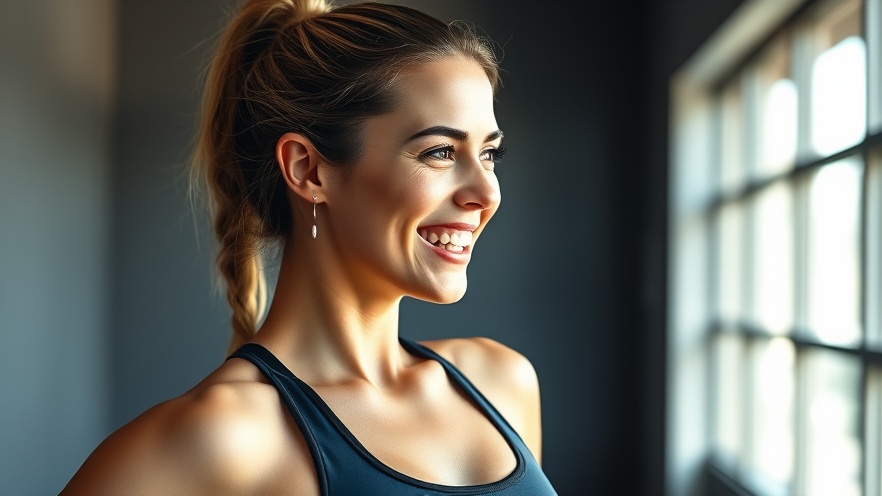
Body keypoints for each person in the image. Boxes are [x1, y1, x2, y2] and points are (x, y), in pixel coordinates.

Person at [62, 0, 556, 494]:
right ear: (308, 170)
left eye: (489, 153)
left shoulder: (501, 383)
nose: (487, 193)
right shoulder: (221, 441)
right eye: (440, 152)